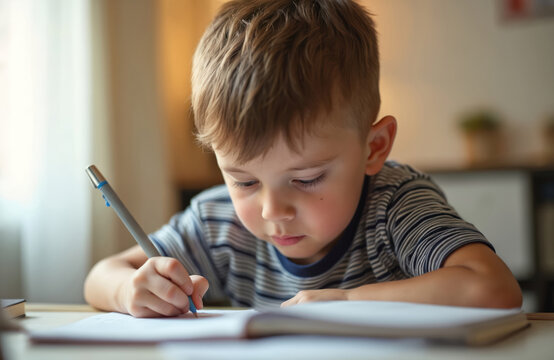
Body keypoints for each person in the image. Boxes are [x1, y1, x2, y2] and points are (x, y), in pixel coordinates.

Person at [84, 0, 522, 318]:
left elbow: (493, 287)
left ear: (374, 147)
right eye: (244, 181)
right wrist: (130, 290)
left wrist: (346, 302)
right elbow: (100, 277)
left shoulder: (395, 205)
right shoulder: (218, 224)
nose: (273, 211)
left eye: (308, 179)